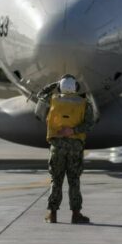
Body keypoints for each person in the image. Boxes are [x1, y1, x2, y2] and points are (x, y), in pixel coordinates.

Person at [39, 74, 95, 224]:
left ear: (61, 86)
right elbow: (90, 123)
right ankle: (76, 215)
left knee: (56, 180)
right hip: (75, 147)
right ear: (75, 87)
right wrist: (74, 131)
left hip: (57, 147)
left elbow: (40, 99)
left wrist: (54, 84)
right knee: (74, 181)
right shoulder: (84, 103)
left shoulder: (53, 100)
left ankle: (52, 214)